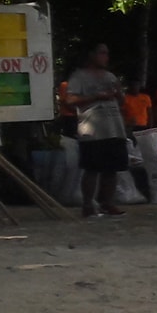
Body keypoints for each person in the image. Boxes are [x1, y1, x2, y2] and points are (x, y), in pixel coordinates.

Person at [65, 42, 130, 218]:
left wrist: (118, 93)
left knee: (112, 169)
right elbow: (69, 101)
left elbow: (122, 102)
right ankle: (87, 205)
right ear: (91, 55)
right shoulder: (79, 77)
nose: (105, 57)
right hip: (92, 130)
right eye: (102, 53)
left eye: (107, 54)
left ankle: (107, 203)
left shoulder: (110, 76)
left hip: (114, 128)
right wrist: (96, 96)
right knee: (92, 168)